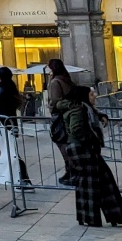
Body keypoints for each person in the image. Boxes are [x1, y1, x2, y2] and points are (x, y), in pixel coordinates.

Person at [55, 85, 122, 227]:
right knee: (88, 183)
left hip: (85, 148)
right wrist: (91, 140)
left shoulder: (85, 108)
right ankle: (91, 217)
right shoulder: (78, 109)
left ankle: (115, 215)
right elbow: (77, 130)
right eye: (91, 94)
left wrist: (101, 116)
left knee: (103, 179)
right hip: (82, 148)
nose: (94, 96)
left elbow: (90, 117)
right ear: (84, 97)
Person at [47, 58, 76, 186]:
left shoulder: (55, 82)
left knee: (62, 144)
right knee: (68, 144)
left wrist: (50, 107)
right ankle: (70, 171)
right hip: (69, 116)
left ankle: (72, 172)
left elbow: (55, 101)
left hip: (59, 117)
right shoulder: (66, 79)